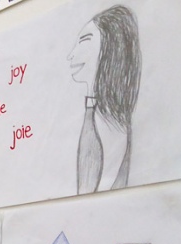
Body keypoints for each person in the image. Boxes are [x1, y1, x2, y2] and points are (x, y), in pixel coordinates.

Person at [67, 5, 141, 194]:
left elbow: (88, 193)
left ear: (111, 47)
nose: (71, 55)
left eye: (85, 41)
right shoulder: (100, 114)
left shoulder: (107, 120)